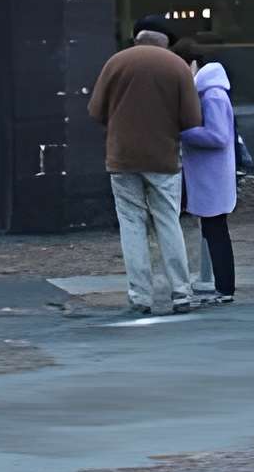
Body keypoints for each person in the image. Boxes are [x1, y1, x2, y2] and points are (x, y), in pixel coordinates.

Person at [87, 15, 203, 314]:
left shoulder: (115, 63)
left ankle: (140, 295)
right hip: (163, 157)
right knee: (168, 221)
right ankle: (181, 292)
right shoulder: (176, 66)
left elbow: (96, 110)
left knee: (131, 224)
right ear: (166, 42)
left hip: (122, 155)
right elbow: (192, 119)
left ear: (136, 37)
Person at [178, 39, 239, 304]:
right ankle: (223, 287)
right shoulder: (210, 90)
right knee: (214, 230)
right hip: (211, 174)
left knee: (215, 231)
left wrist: (183, 132)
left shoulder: (211, 94)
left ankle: (225, 288)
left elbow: (217, 135)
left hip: (211, 175)